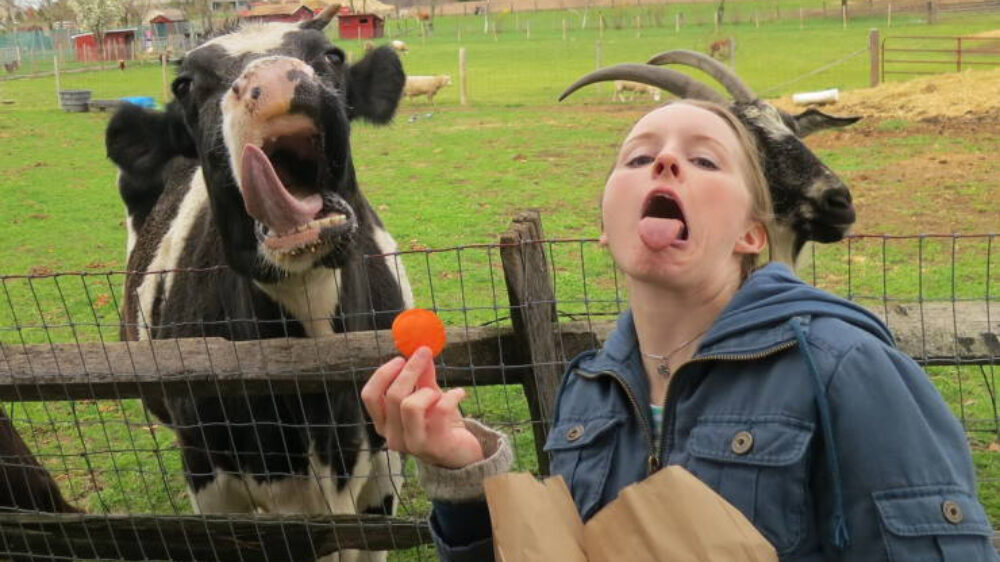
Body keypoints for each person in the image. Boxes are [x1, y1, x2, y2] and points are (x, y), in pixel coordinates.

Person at [361, 100, 999, 561]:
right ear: (605, 227)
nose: (665, 160)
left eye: (704, 159)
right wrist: (463, 475)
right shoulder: (587, 395)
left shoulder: (845, 367)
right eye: (639, 156)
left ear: (753, 234)